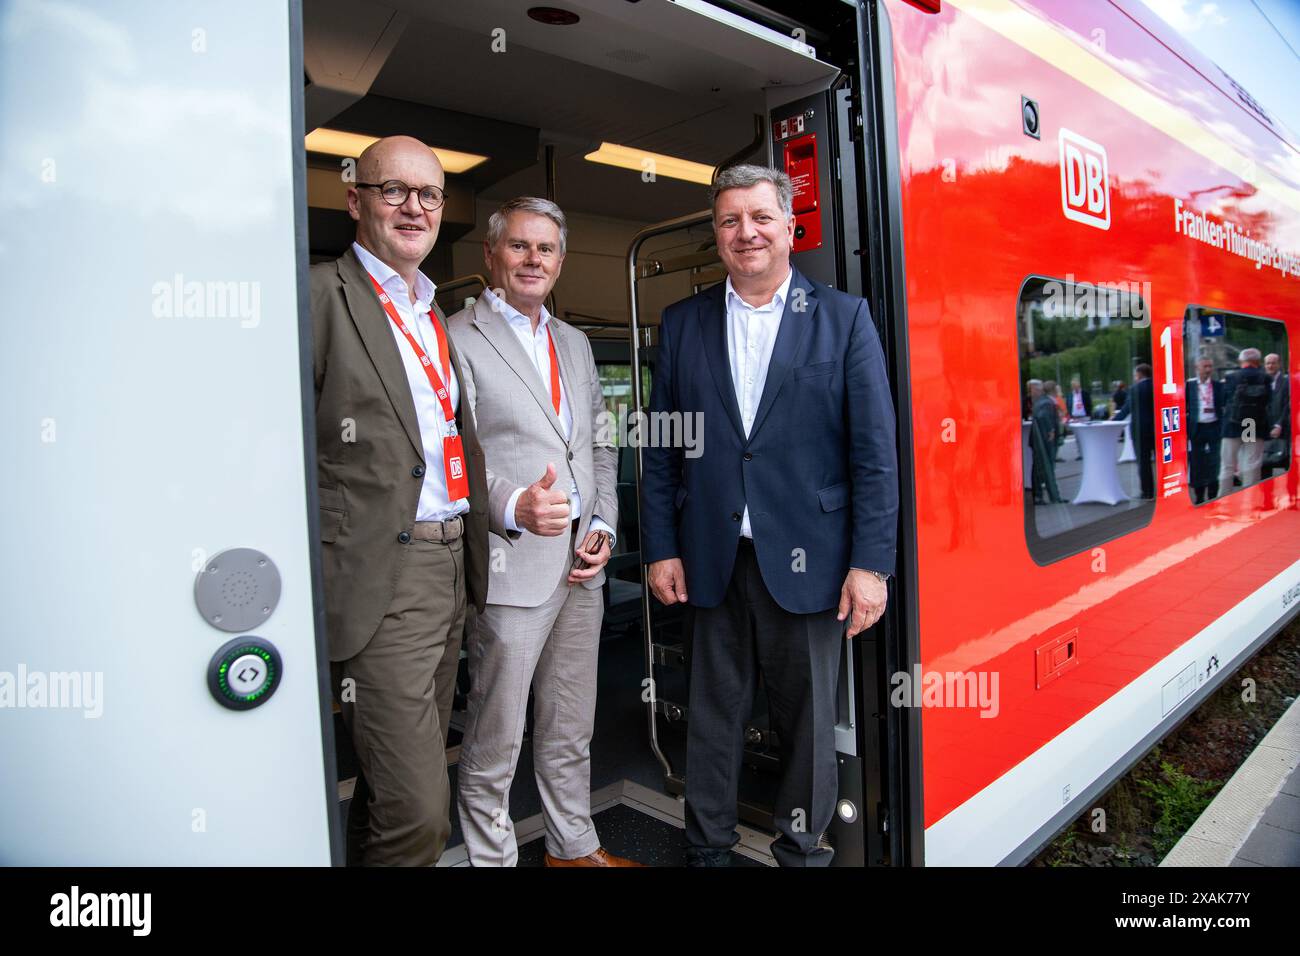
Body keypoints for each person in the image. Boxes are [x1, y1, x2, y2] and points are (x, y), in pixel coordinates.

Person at [640, 164, 899, 867]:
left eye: (759, 218)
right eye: (729, 221)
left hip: (811, 563)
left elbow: (875, 456)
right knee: (713, 721)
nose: (745, 233)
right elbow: (663, 450)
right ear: (717, 234)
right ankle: (708, 853)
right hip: (709, 560)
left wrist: (871, 566)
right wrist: (660, 547)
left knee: (807, 727)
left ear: (791, 227)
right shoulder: (684, 322)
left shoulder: (844, 320)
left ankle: (801, 854)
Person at [311, 135, 495, 865]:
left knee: (385, 799)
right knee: (421, 815)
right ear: (356, 199)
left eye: (429, 195)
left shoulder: (430, 310)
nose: (413, 208)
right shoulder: (321, 295)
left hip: (449, 566)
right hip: (380, 574)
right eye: (395, 190)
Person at [448, 198, 637, 867]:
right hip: (511, 567)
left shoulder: (576, 342)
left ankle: (572, 848)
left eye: (547, 249)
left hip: (582, 569)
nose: (533, 260)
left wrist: (605, 522)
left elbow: (601, 443)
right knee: (496, 735)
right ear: (492, 256)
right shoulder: (457, 338)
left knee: (568, 725)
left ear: (560, 261)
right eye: (520, 247)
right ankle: (491, 860)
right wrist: (511, 507)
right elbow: (453, 456)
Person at [1218, 347, 1271, 497]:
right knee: (1251, 464)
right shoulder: (1265, 378)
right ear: (1258, 362)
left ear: (1242, 361)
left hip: (1232, 424)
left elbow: (1223, 400)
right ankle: (1250, 502)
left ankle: (1223, 501)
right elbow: (1269, 401)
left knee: (1227, 465)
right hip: (1253, 424)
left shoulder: (1231, 377)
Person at [1113, 363, 1155, 499]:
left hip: (1141, 430)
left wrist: (1113, 421)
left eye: (1135, 374)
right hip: (1157, 429)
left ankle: (1147, 491)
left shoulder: (1136, 389)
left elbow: (1127, 408)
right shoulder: (1159, 386)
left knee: (1144, 462)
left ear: (1140, 374)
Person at [1187, 357, 1224, 504]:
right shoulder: (1189, 386)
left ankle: (1213, 494)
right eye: (1205, 367)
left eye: (1210, 367)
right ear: (1197, 368)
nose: (1208, 370)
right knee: (1197, 462)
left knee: (1215, 461)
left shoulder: (1218, 386)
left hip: (1214, 427)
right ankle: (1199, 494)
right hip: (1197, 428)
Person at [1028, 379, 1059, 504]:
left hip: (1038, 439)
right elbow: (1044, 417)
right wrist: (1051, 431)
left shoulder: (1039, 402)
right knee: (1045, 467)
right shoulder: (1046, 403)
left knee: (1038, 467)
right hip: (1043, 440)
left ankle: (1041, 495)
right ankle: (1050, 496)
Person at [1264, 352, 1290, 478]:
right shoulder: (1262, 383)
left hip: (1284, 429)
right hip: (1265, 430)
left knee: (1286, 461)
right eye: (1268, 363)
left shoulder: (1287, 382)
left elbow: (1288, 405)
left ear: (1279, 364)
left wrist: (1279, 425)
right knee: (1265, 463)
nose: (1270, 366)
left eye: (1273, 363)